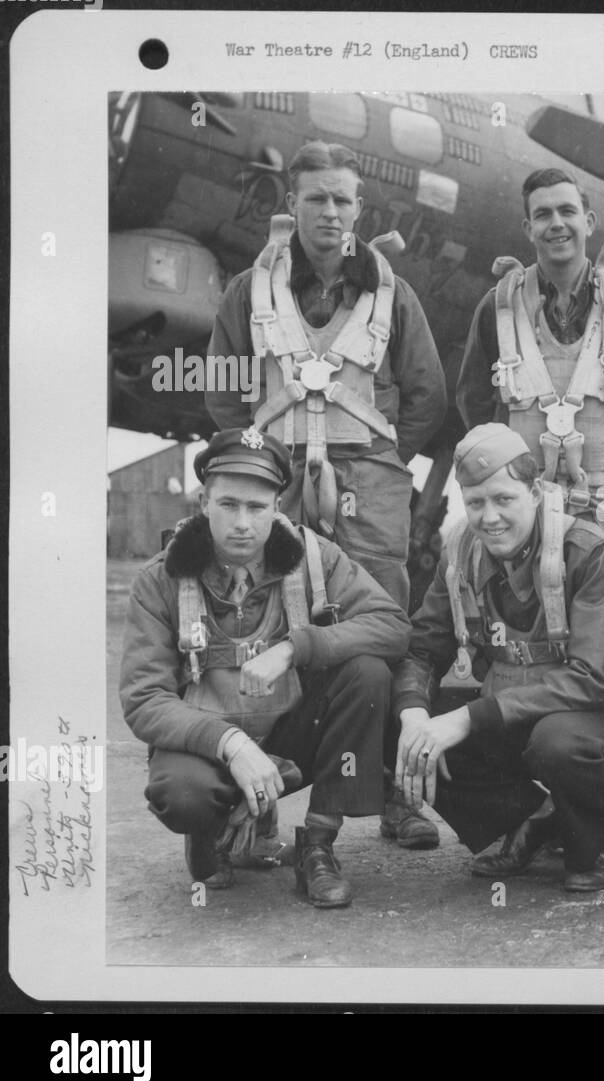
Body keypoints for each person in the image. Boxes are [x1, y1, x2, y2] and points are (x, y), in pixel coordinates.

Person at [205, 140, 447, 851]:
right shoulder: (248, 292)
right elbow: (222, 388)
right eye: (317, 198)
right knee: (265, 621)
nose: (331, 212)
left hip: (368, 478)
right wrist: (252, 464)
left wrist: (384, 458)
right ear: (293, 205)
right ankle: (260, 794)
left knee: (382, 622)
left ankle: (400, 796)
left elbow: (427, 392)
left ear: (360, 209)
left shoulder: (392, 293)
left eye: (343, 199)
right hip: (273, 475)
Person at [119, 428, 411, 908]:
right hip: (206, 746)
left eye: (257, 508)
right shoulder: (160, 579)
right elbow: (143, 699)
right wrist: (229, 744)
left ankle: (317, 846)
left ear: (277, 506)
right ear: (203, 502)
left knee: (368, 674)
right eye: (228, 505)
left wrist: (298, 647)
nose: (242, 523)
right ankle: (211, 825)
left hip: (290, 732)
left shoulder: (314, 558)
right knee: (183, 794)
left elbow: (392, 626)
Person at [392, 423, 604, 892]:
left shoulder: (587, 552)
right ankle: (527, 822)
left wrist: (467, 718)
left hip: (587, 730)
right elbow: (423, 647)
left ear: (537, 491)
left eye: (504, 499)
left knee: (558, 743)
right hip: (506, 719)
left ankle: (594, 835)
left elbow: (592, 679)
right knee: (400, 724)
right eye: (476, 502)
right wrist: (413, 715)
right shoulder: (462, 551)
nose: (490, 517)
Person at [456, 167, 604, 577]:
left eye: (567, 211)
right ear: (527, 228)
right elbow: (472, 400)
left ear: (588, 222)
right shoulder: (496, 309)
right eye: (543, 215)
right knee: (523, 613)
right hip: (521, 500)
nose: (556, 224)